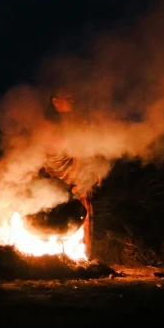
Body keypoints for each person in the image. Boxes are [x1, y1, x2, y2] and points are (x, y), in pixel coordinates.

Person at [42, 90, 99, 257]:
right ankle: (54, 253)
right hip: (54, 176)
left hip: (77, 175)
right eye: (66, 97)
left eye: (71, 96)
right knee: (55, 213)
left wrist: (92, 170)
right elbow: (42, 151)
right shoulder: (48, 124)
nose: (71, 99)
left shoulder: (77, 121)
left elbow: (85, 147)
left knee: (84, 213)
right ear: (55, 101)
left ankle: (84, 255)